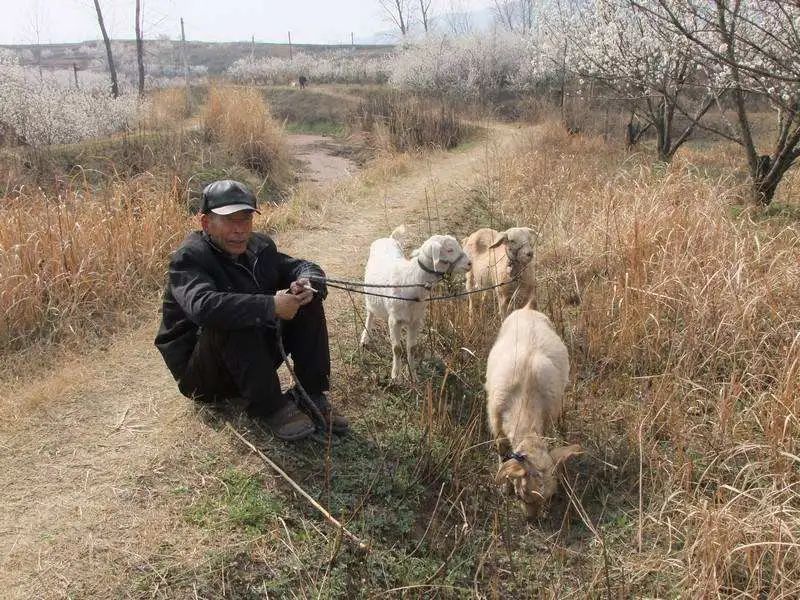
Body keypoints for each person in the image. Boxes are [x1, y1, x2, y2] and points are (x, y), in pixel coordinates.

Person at [154, 179, 348, 441]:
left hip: (251, 360)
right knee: (233, 313)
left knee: (306, 299)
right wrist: (271, 305)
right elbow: (204, 307)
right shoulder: (189, 259)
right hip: (205, 375)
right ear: (205, 223)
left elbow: (301, 266)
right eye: (229, 220)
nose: (239, 230)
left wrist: (307, 284)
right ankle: (271, 407)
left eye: (245, 219)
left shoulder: (259, 247)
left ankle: (310, 393)